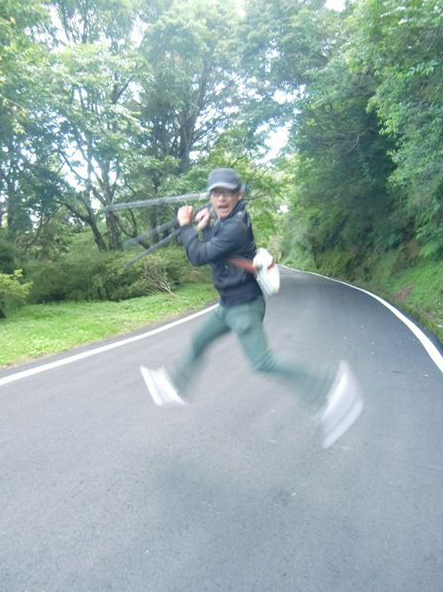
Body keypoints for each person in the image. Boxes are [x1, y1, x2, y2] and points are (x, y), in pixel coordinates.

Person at [141, 168, 363, 449]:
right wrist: (205, 227)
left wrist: (186, 226)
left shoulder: (235, 226)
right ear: (210, 196)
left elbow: (199, 255)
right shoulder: (228, 220)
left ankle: (330, 388)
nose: (222, 198)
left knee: (263, 362)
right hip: (227, 304)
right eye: (216, 193)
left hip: (243, 305)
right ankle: (175, 385)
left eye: (228, 193)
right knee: (199, 340)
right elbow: (217, 250)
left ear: (239, 194)